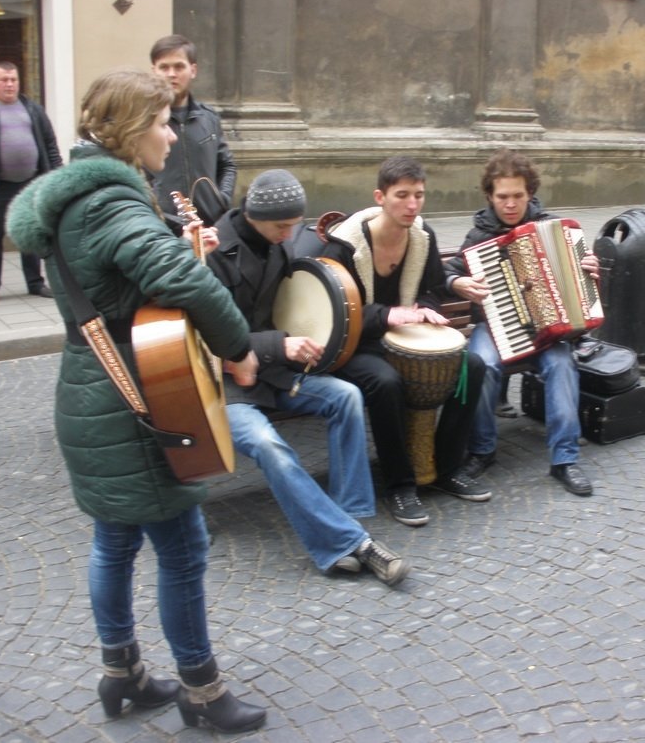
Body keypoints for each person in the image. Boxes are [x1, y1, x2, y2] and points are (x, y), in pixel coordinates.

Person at [5, 68, 266, 733]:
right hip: (133, 402)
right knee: (183, 548)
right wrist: (238, 348)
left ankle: (121, 673)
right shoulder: (110, 203)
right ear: (127, 130)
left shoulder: (74, 198)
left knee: (115, 540)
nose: (170, 134)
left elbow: (128, 280)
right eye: (160, 122)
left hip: (91, 387)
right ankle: (201, 692)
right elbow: (183, 281)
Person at [206, 169, 410, 585]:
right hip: (221, 385)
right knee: (268, 444)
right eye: (282, 226)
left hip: (272, 375)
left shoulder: (279, 241)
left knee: (346, 396)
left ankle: (349, 512)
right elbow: (207, 336)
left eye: (294, 225)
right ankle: (344, 541)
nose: (289, 234)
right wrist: (278, 345)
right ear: (254, 215)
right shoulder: (211, 254)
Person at [307, 156, 490, 526]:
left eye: (418, 195)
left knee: (471, 365)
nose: (412, 205)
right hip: (354, 344)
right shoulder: (344, 246)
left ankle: (447, 467)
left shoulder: (422, 236)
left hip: (403, 338)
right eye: (402, 195)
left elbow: (431, 289)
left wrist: (426, 310)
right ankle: (399, 484)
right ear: (380, 197)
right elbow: (331, 314)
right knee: (386, 382)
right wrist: (387, 315)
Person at [444, 148, 598, 497]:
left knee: (561, 365)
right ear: (489, 196)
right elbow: (448, 272)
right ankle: (482, 450)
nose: (510, 204)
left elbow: (582, 287)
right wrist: (457, 282)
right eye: (502, 197)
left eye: (518, 196)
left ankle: (564, 459)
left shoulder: (554, 229)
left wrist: (589, 270)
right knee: (481, 363)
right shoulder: (479, 236)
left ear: (530, 194)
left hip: (548, 330)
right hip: (494, 326)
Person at [0, 61, 63, 305]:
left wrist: (56, 174)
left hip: (30, 184)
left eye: (14, 79)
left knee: (29, 233)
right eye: (4, 80)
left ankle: (35, 283)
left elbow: (50, 144)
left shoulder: (32, 109)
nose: (10, 84)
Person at [149, 34, 236, 226]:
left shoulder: (209, 118)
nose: (171, 74)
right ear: (154, 71)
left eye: (179, 67)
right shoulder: (145, 122)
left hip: (210, 226)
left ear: (193, 70)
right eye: (164, 67)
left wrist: (221, 200)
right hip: (164, 228)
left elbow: (227, 165)